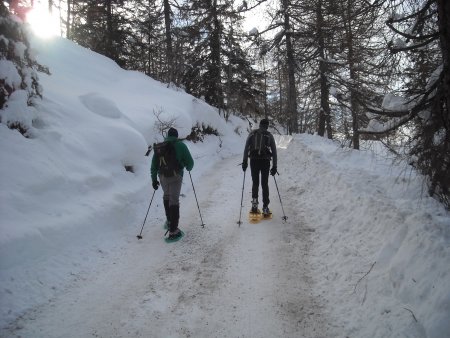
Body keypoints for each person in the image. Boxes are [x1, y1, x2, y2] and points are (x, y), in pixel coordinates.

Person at [151, 127, 194, 240]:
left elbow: (153, 166)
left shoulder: (160, 147)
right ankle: (173, 231)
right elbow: (190, 163)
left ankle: (169, 221)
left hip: (163, 177)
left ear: (167, 136)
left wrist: (154, 180)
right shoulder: (181, 145)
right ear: (176, 136)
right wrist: (187, 167)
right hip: (176, 176)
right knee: (174, 200)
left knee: (166, 196)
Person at [242, 118, 277, 215]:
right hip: (265, 162)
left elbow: (246, 148)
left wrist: (245, 161)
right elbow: (274, 152)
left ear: (260, 125)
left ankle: (254, 204)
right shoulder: (269, 135)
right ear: (267, 126)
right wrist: (274, 166)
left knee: (255, 182)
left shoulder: (252, 133)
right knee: (264, 184)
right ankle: (265, 207)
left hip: (254, 161)